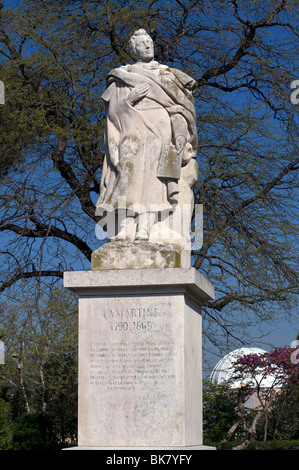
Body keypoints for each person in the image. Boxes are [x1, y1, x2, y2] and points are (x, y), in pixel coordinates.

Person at [96, 29, 198, 246]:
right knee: (127, 174)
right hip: (132, 132)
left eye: (150, 42)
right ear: (134, 49)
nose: (148, 46)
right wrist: (128, 100)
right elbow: (113, 114)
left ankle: (146, 227)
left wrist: (180, 134)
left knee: (156, 181)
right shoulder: (121, 77)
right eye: (143, 43)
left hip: (161, 134)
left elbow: (178, 110)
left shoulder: (167, 74)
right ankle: (124, 226)